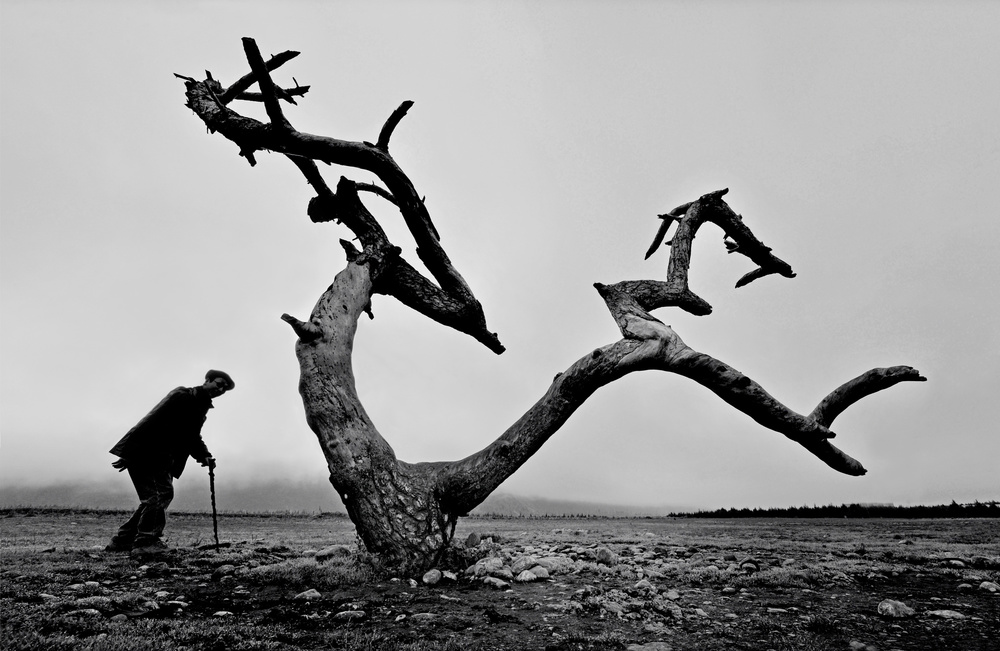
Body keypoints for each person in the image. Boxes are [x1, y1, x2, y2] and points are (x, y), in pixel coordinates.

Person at [105, 369, 235, 553]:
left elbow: (191, 436)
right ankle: (146, 541)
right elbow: (151, 420)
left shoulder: (200, 405)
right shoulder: (182, 395)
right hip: (149, 453)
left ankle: (123, 540)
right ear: (207, 380)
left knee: (153, 498)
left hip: (163, 458)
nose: (220, 389)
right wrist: (128, 452)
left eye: (224, 389)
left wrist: (203, 455)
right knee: (161, 495)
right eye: (218, 383)